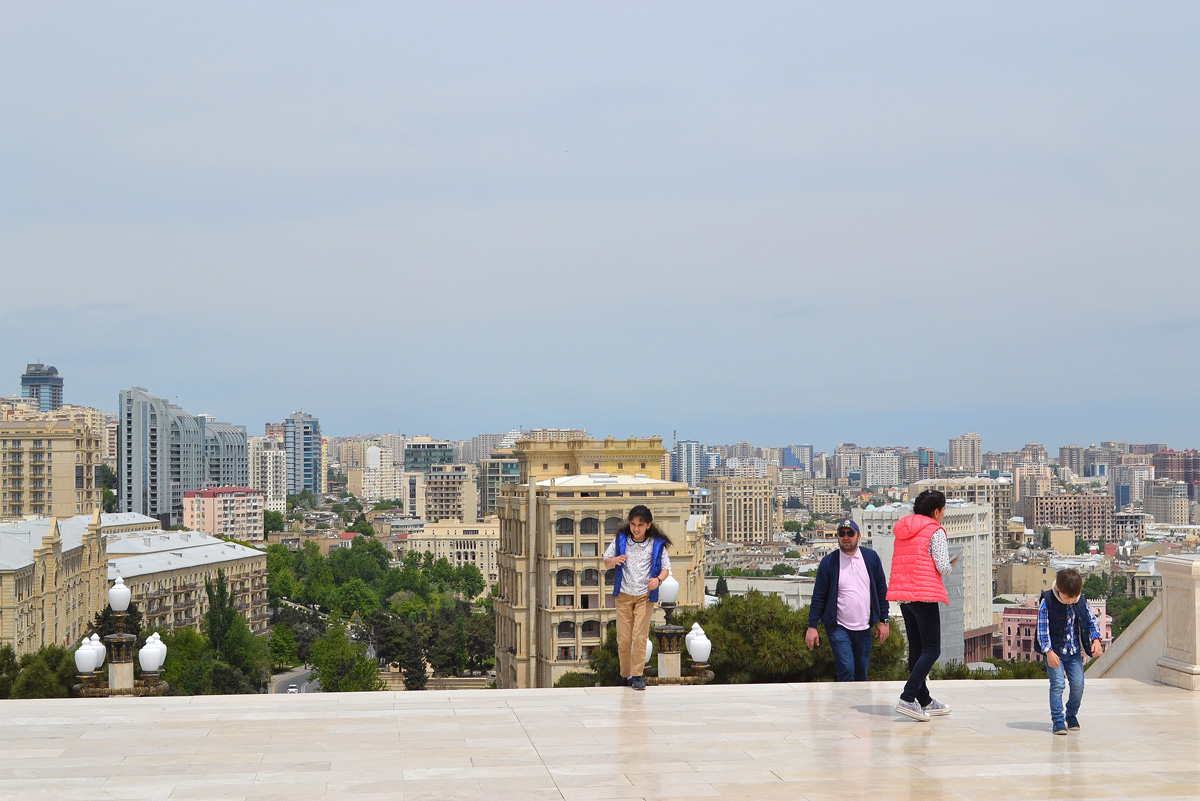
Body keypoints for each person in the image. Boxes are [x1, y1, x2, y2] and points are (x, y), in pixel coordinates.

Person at [886, 489, 956, 722]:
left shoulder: (903, 530)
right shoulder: (935, 531)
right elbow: (943, 566)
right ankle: (907, 698)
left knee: (916, 650)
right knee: (932, 650)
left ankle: (924, 699)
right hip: (924, 594)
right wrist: (951, 564)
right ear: (936, 511)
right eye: (944, 510)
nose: (944, 514)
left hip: (904, 596)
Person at [805, 519, 890, 681]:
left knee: (860, 675)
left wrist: (884, 620)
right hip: (838, 628)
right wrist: (812, 626)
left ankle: (857, 705)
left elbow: (881, 590)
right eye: (842, 533)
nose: (846, 537)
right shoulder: (829, 562)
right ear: (837, 537)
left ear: (858, 537)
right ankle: (844, 706)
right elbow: (819, 596)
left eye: (850, 533)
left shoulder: (870, 558)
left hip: (864, 628)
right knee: (846, 669)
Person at [603, 504, 672, 691]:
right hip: (624, 595)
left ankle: (638, 675)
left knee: (639, 637)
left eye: (640, 525)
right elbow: (606, 560)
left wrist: (658, 580)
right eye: (633, 524)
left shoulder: (656, 544)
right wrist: (614, 561)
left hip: (645, 596)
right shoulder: (621, 540)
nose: (636, 528)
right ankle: (625, 675)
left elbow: (666, 568)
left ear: (648, 525)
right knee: (624, 639)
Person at [1036, 568, 1104, 735]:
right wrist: (1049, 652)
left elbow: (1090, 620)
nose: (1071, 601)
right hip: (1055, 650)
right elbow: (1042, 630)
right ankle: (1058, 720)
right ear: (1059, 589)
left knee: (1078, 685)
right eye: (1067, 598)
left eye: (1074, 597)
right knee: (1058, 684)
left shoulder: (1079, 600)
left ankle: (1071, 715)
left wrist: (1096, 639)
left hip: (1073, 651)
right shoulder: (1048, 601)